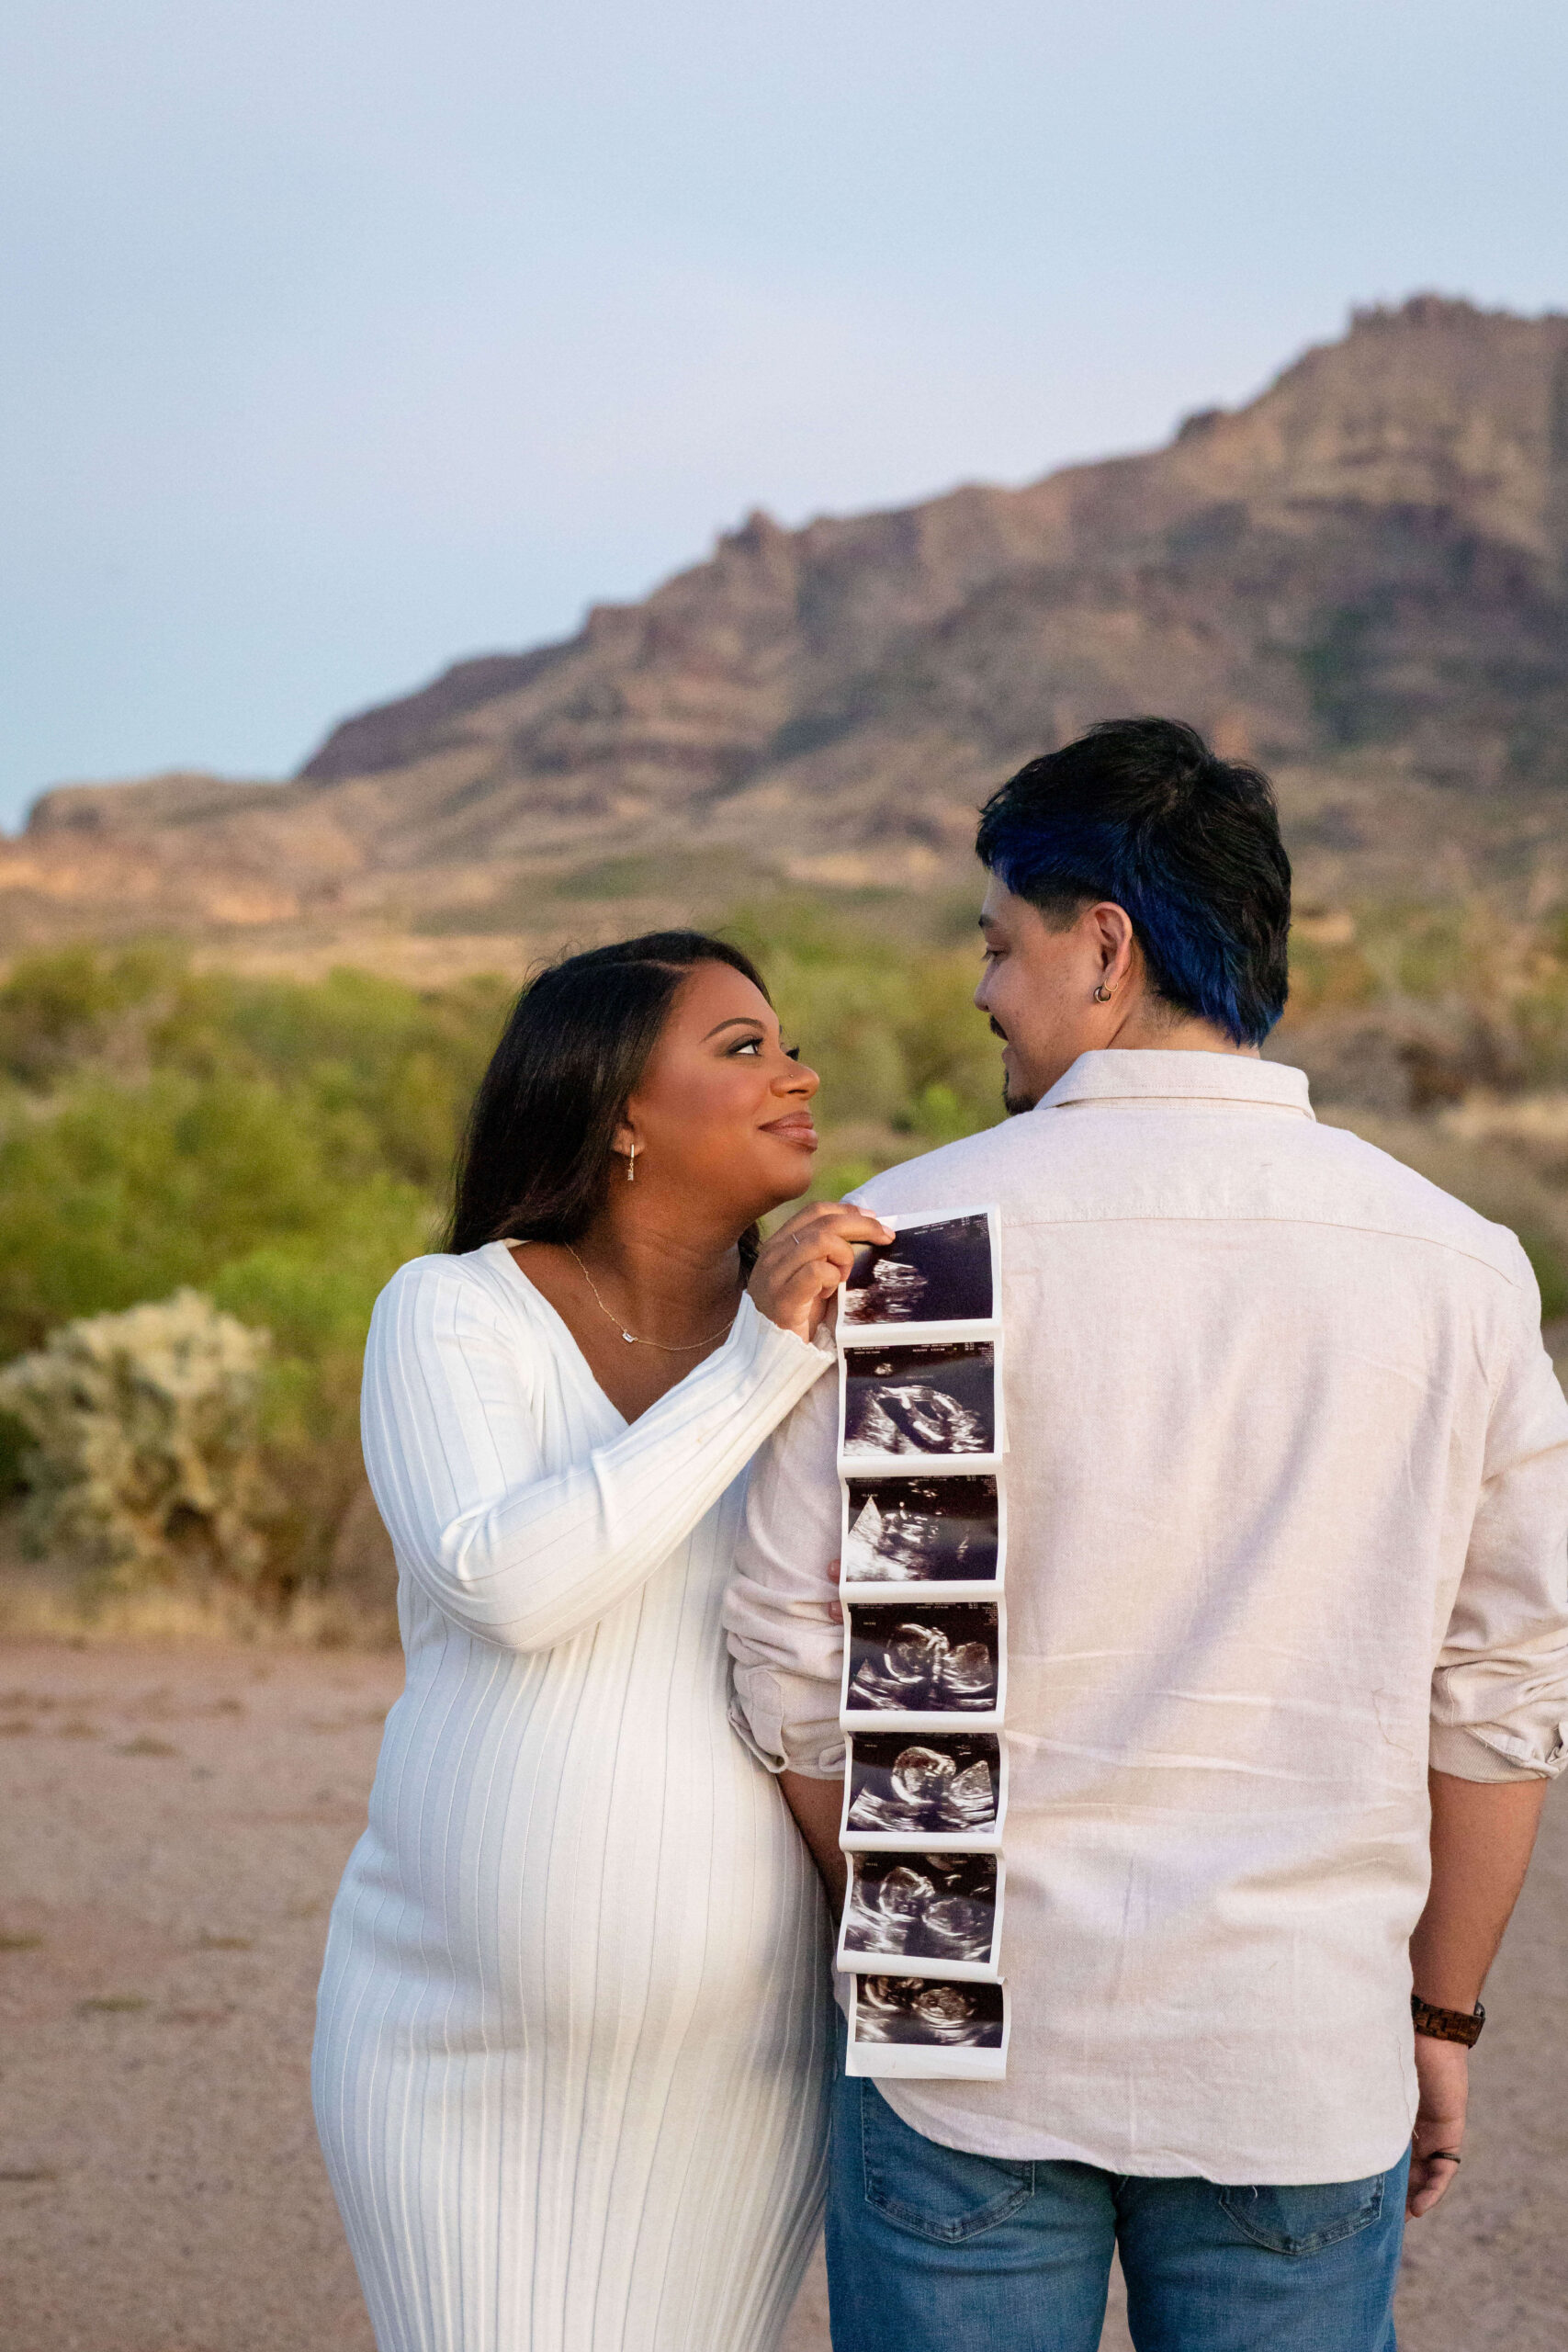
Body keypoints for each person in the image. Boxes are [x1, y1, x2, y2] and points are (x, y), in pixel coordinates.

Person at [725, 720, 1568, 2352]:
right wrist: (1439, 2014)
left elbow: (789, 1651)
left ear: (1101, 947)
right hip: (1297, 2033)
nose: (985, 988)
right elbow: (1506, 1691)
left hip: (961, 2023)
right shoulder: (1457, 1268)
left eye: (999, 943)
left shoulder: (923, 1239)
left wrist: (916, 1919)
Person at [312, 931, 891, 2352]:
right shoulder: (453, 1315)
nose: (796, 1071)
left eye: (789, 1040)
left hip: (743, 2055)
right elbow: (508, 1584)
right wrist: (761, 1368)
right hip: (460, 2052)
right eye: (742, 1046)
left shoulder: (842, 1346)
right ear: (619, 1104)